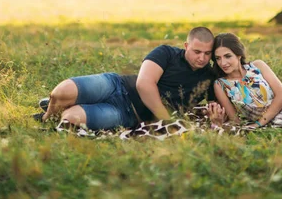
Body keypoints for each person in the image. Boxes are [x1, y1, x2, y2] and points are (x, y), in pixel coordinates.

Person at [37, 27, 216, 130]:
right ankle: (47, 116)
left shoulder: (209, 77)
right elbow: (144, 84)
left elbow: (217, 105)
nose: (201, 58)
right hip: (116, 85)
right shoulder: (166, 53)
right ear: (186, 46)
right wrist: (165, 119)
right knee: (61, 92)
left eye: (207, 53)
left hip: (126, 114)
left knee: (71, 118)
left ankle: (65, 108)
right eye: (197, 51)